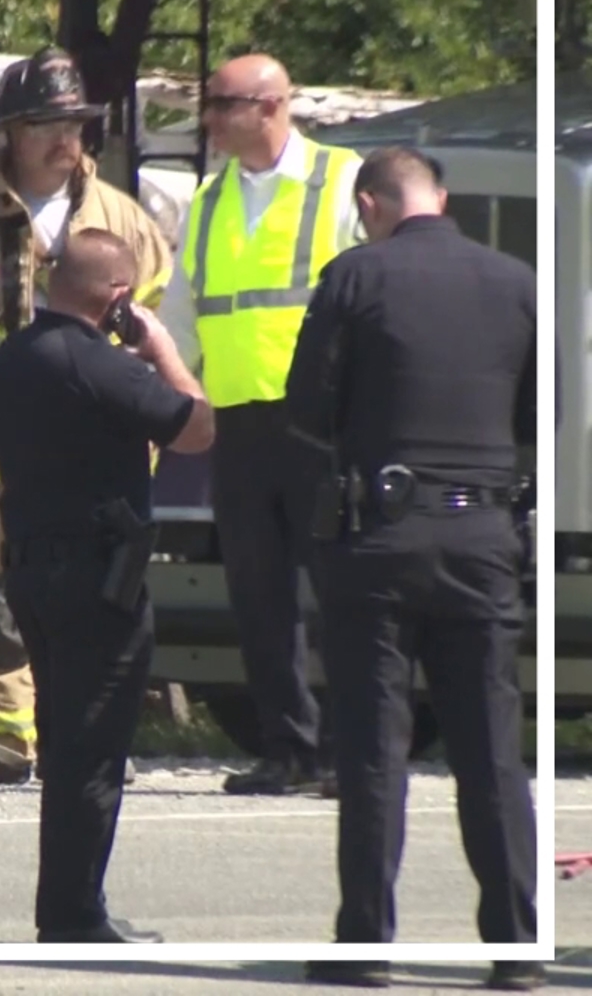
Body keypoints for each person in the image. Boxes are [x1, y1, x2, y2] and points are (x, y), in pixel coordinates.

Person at [287, 148, 541, 991]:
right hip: (485, 537)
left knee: (373, 748)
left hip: (382, 536)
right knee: (492, 751)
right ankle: (513, 946)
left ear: (372, 203)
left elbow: (306, 405)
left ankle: (366, 944)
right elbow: (545, 409)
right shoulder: (515, 281)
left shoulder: (356, 276)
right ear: (442, 197)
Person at [0, 46, 177, 785]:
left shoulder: (124, 218)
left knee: (98, 592)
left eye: (76, 122)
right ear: (10, 132)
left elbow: (155, 333)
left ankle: (84, 733)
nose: (67, 137)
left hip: (101, 451)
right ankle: (0, 739)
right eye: (46, 124)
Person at [0, 228, 214, 942]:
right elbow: (197, 429)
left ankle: (68, 907)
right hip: (97, 580)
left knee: (64, 742)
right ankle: (74, 916)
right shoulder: (100, 366)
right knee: (92, 751)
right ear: (119, 299)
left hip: (29, 572)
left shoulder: (7, 359)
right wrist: (162, 350)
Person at [160, 53, 364, 797]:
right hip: (239, 424)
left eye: (222, 103)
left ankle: (347, 749)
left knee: (341, 590)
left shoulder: (342, 180)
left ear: (272, 105)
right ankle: (290, 750)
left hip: (326, 425)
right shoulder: (209, 200)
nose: (208, 118)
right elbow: (183, 311)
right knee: (259, 594)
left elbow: (375, 298)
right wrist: (175, 398)